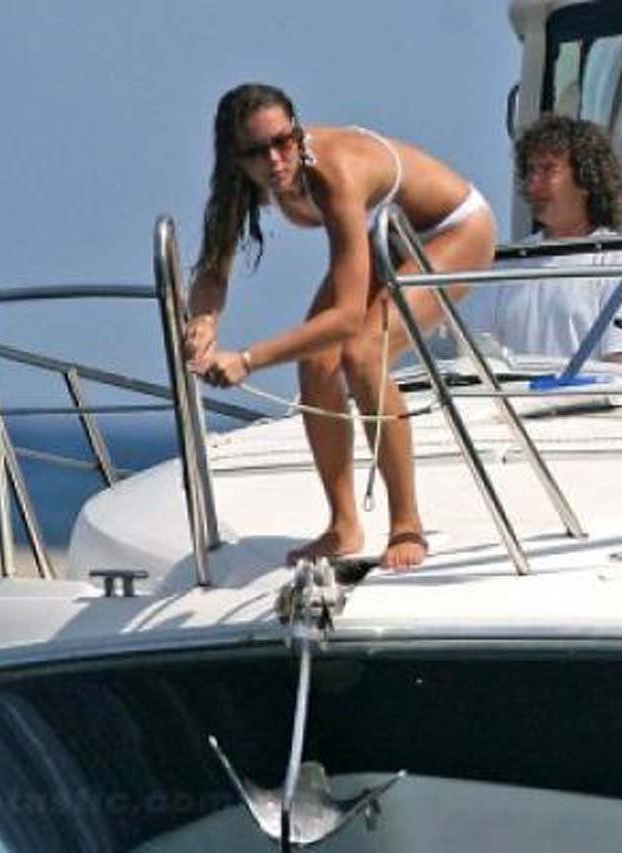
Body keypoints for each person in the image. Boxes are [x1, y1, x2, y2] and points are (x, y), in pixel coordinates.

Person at [184, 83, 496, 570]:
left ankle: (407, 524)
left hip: (454, 228)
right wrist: (204, 321)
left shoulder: (334, 173)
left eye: (283, 141)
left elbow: (348, 318)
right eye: (257, 151)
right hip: (390, 234)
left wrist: (248, 360)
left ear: (297, 130)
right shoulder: (236, 186)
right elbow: (213, 269)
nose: (275, 159)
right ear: (234, 157)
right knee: (315, 362)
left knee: (364, 353)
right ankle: (343, 525)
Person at [486, 115, 622, 364]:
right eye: (531, 171)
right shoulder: (509, 262)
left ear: (586, 180)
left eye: (548, 170)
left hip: (584, 391)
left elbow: (619, 368)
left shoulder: (620, 260)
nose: (533, 185)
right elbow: (484, 355)